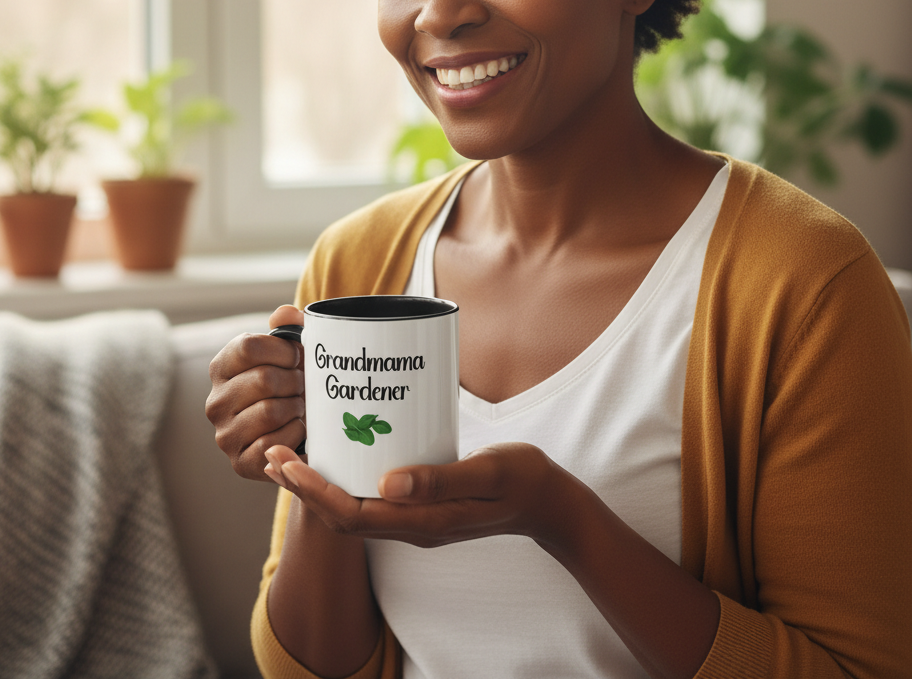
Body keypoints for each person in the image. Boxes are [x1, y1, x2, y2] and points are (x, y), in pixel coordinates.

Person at [205, 1, 912, 677]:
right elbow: (308, 666)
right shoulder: (358, 263)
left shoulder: (806, 283)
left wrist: (565, 522)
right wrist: (312, 470)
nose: (440, 13)